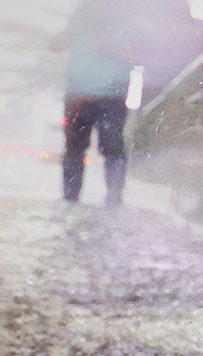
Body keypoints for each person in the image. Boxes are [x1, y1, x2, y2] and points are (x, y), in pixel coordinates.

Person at [51, 0, 135, 206]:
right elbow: (55, 45)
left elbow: (145, 57)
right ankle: (70, 199)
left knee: (112, 148)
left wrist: (115, 50)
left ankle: (114, 198)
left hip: (111, 96)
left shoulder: (129, 24)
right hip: (78, 94)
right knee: (75, 148)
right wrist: (73, 27)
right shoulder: (81, 20)